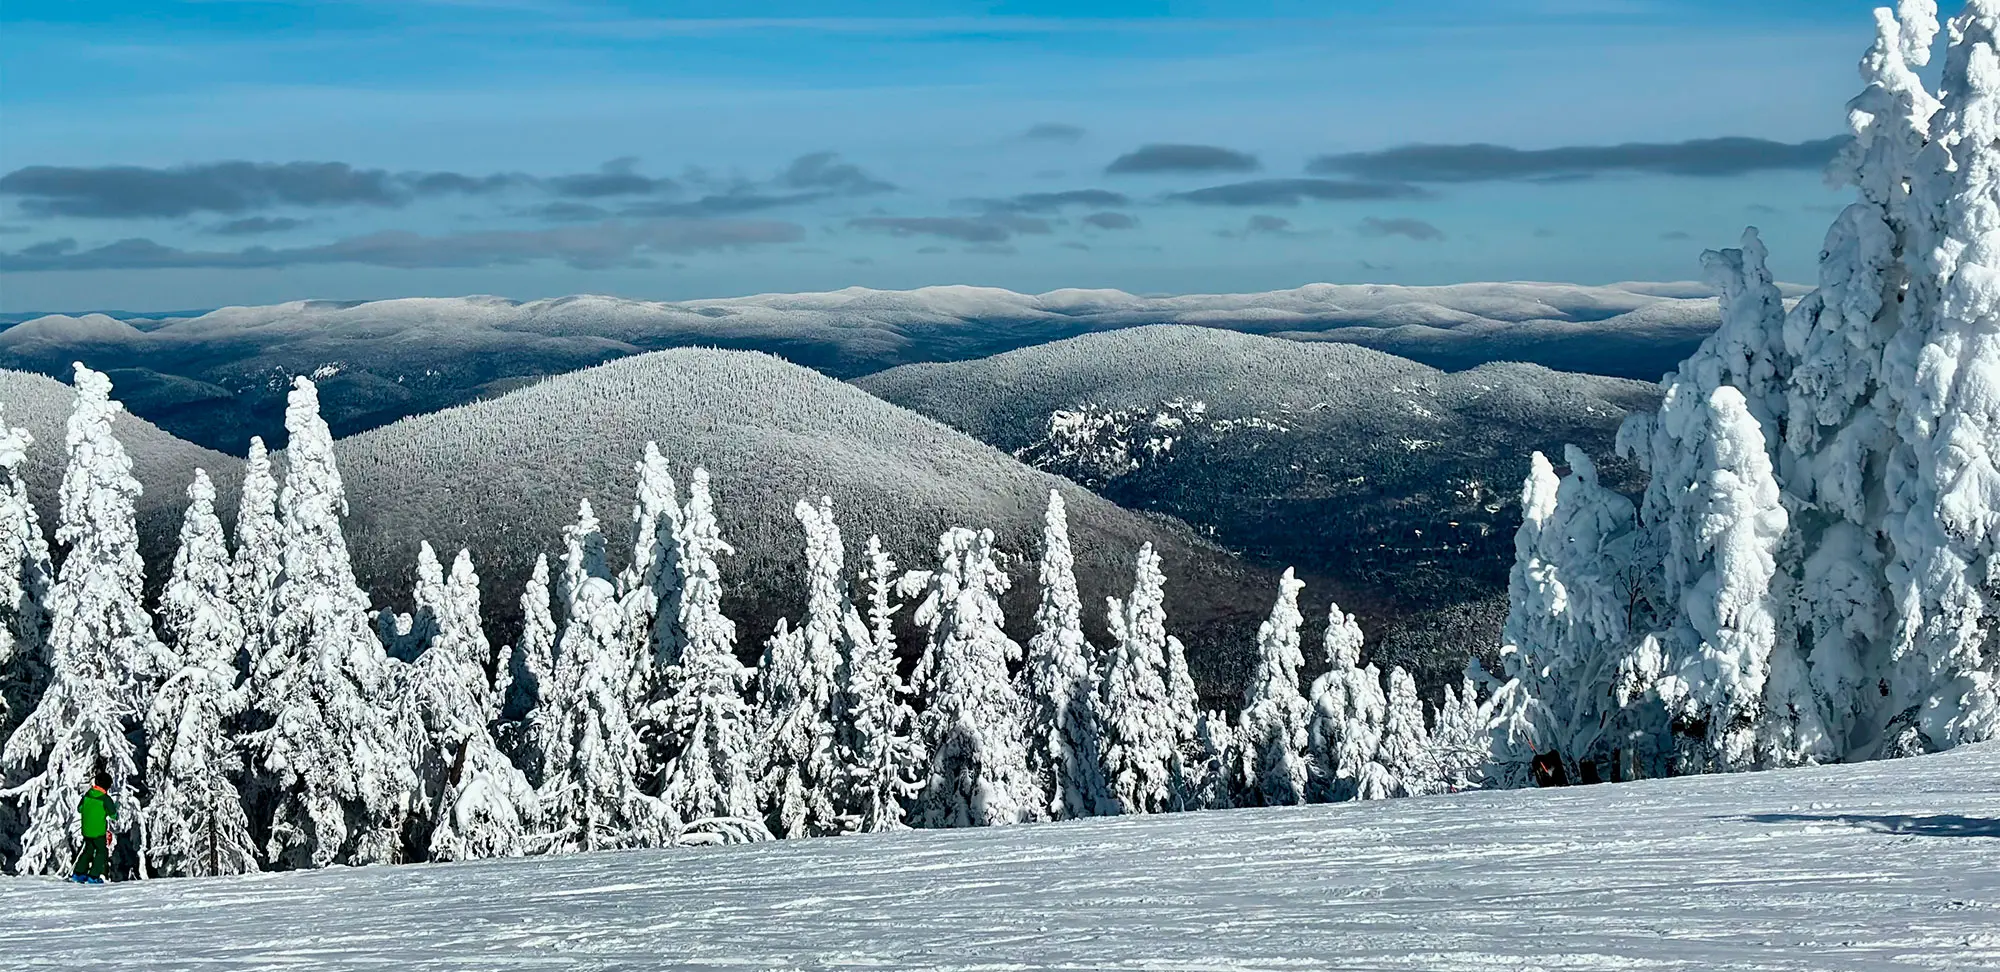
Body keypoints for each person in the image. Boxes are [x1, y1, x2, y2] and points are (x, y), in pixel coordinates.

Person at [69, 771, 117, 884]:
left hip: (86, 830)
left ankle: (78, 874)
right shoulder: (105, 799)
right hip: (98, 831)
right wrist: (115, 807)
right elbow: (113, 815)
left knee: (88, 850)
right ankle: (93, 876)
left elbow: (80, 809)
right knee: (102, 852)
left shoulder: (88, 795)